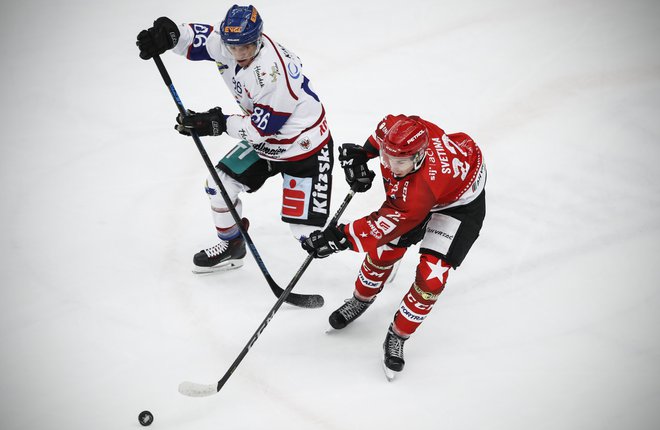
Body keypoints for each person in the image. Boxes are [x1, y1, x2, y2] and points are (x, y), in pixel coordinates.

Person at [136, 5, 333, 272]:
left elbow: (260, 129)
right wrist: (170, 36)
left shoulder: (273, 74)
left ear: (259, 39)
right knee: (219, 186)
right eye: (233, 47)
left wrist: (216, 123)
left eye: (246, 48)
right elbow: (197, 39)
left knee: (309, 237)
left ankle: (380, 258)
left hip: (304, 149)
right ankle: (233, 246)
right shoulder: (232, 42)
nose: (239, 54)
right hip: (267, 145)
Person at [302, 114, 486, 379]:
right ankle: (360, 300)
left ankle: (398, 334)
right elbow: (381, 135)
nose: (390, 166)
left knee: (431, 280)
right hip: (424, 196)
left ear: (419, 157)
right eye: (387, 157)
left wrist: (339, 237)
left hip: (459, 206)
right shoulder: (396, 133)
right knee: (383, 253)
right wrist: (362, 156)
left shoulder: (420, 189)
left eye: (399, 162)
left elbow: (383, 224)